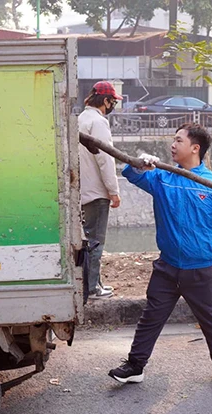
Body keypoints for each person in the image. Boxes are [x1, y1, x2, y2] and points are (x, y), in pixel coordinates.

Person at [107, 123, 212, 391]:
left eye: (178, 140)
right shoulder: (162, 177)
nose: (172, 144)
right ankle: (135, 366)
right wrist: (140, 164)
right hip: (167, 266)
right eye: (173, 139)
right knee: (151, 316)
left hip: (201, 268)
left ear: (195, 148)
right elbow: (132, 174)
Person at [78, 81, 122, 299]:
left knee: (86, 239)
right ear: (105, 101)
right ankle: (92, 287)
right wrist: (113, 191)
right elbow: (105, 159)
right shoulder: (99, 122)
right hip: (97, 192)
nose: (113, 105)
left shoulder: (81, 119)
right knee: (96, 240)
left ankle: (93, 282)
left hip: (82, 191)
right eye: (112, 101)